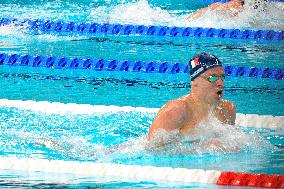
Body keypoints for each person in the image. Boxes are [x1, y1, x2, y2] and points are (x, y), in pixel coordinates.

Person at [147, 52, 236, 147]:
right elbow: (151, 151)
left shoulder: (228, 109)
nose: (220, 83)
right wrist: (201, 149)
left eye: (222, 77)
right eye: (212, 78)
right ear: (194, 81)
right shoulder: (176, 110)